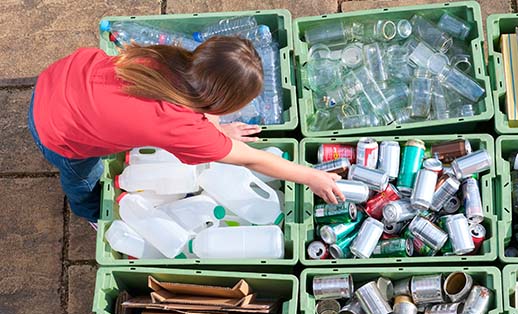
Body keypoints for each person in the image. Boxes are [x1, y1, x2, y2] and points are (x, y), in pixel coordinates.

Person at [28, 36, 344, 227]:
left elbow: (188, 110)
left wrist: (220, 132)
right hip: (57, 130)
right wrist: (311, 177)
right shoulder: (181, 126)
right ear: (222, 102)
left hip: (59, 78)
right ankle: (89, 212)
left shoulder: (169, 59)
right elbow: (252, 160)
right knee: (82, 176)